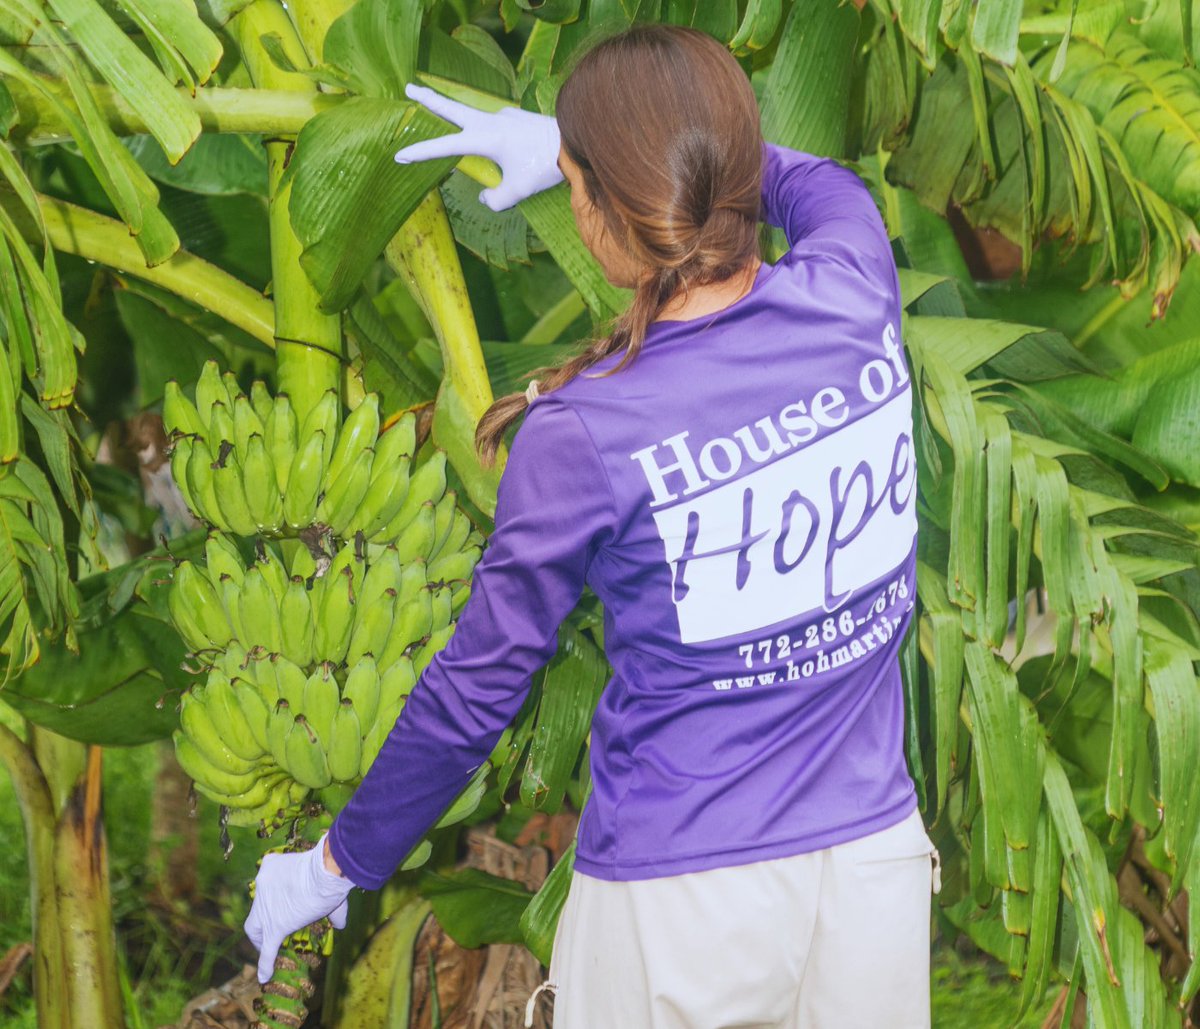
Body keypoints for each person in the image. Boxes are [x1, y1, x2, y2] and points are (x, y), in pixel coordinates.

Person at [244, 23, 941, 1028]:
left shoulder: (586, 432)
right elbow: (818, 183)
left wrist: (332, 865)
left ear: (606, 212)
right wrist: (639, 159)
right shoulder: (855, 287)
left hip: (682, 906)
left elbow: (475, 690)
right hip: (869, 874)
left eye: (576, 180)